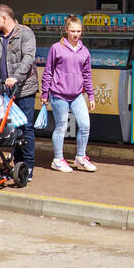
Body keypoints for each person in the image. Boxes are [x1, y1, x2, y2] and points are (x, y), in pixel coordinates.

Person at [0, 3, 37, 177]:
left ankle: (27, 166)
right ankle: (15, 164)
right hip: (4, 91)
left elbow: (28, 58)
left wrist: (16, 77)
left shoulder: (25, 33)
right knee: (9, 129)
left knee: (25, 128)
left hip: (24, 90)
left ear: (4, 18)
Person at [42, 15, 97, 172]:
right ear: (66, 30)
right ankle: (57, 159)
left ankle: (80, 157)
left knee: (85, 125)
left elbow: (87, 75)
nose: (76, 34)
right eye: (72, 31)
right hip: (59, 93)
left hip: (77, 94)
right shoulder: (56, 48)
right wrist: (45, 93)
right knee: (61, 127)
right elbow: (48, 72)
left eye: (79, 31)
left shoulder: (84, 51)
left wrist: (91, 96)